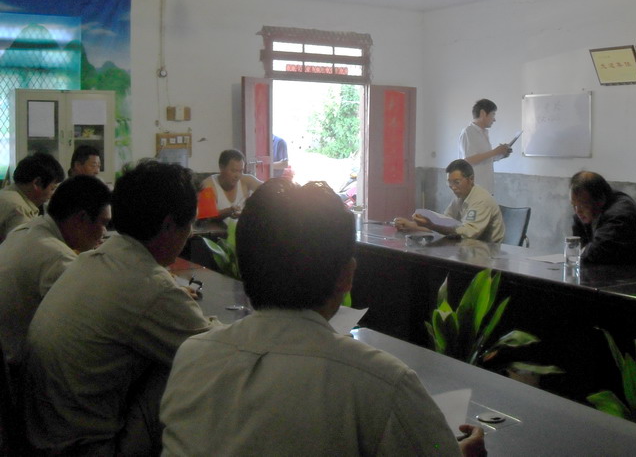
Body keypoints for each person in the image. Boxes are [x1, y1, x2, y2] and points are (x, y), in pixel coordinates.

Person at [160, 179, 487, 457]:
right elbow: (434, 447)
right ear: (347, 276)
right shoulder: (383, 382)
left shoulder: (193, 358)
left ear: (243, 268)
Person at [23, 160, 221, 456]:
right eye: (190, 223)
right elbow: (218, 354)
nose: (190, 233)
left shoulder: (94, 259)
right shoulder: (149, 285)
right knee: (191, 369)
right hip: (87, 447)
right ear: (169, 225)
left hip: (42, 434)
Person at [0, 175, 111, 370]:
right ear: (82, 219)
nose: (104, 233)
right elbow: (89, 326)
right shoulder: (58, 259)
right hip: (16, 370)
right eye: (103, 223)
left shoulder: (26, 229)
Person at [395, 159, 505, 243]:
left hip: (489, 251)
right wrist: (411, 225)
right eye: (449, 182)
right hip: (469, 247)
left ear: (471, 179)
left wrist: (432, 225)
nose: (453, 187)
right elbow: (443, 224)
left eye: (457, 182)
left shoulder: (481, 200)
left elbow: (469, 234)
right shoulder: (460, 197)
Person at [570, 171, 636, 266]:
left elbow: (595, 254)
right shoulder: (587, 211)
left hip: (633, 272)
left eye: (583, 205)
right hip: (606, 270)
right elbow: (577, 248)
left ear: (599, 200)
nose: (577, 211)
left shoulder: (619, 215)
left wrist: (582, 253)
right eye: (574, 205)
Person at [0, 152, 64, 241]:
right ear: (37, 183)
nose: (53, 194)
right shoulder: (19, 209)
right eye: (52, 188)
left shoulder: (7, 193)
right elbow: (24, 245)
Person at [458, 98, 512, 194]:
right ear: (483, 113)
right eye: (493, 114)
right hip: (474, 190)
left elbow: (484, 158)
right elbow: (468, 160)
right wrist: (495, 152)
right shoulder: (468, 132)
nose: (494, 119)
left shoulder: (483, 133)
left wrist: (501, 154)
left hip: (486, 188)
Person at [200, 149, 262, 221]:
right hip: (219, 227)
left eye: (241, 171)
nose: (238, 176)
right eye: (234, 171)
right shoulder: (208, 185)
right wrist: (227, 212)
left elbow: (268, 189)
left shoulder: (247, 180)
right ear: (221, 167)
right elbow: (208, 217)